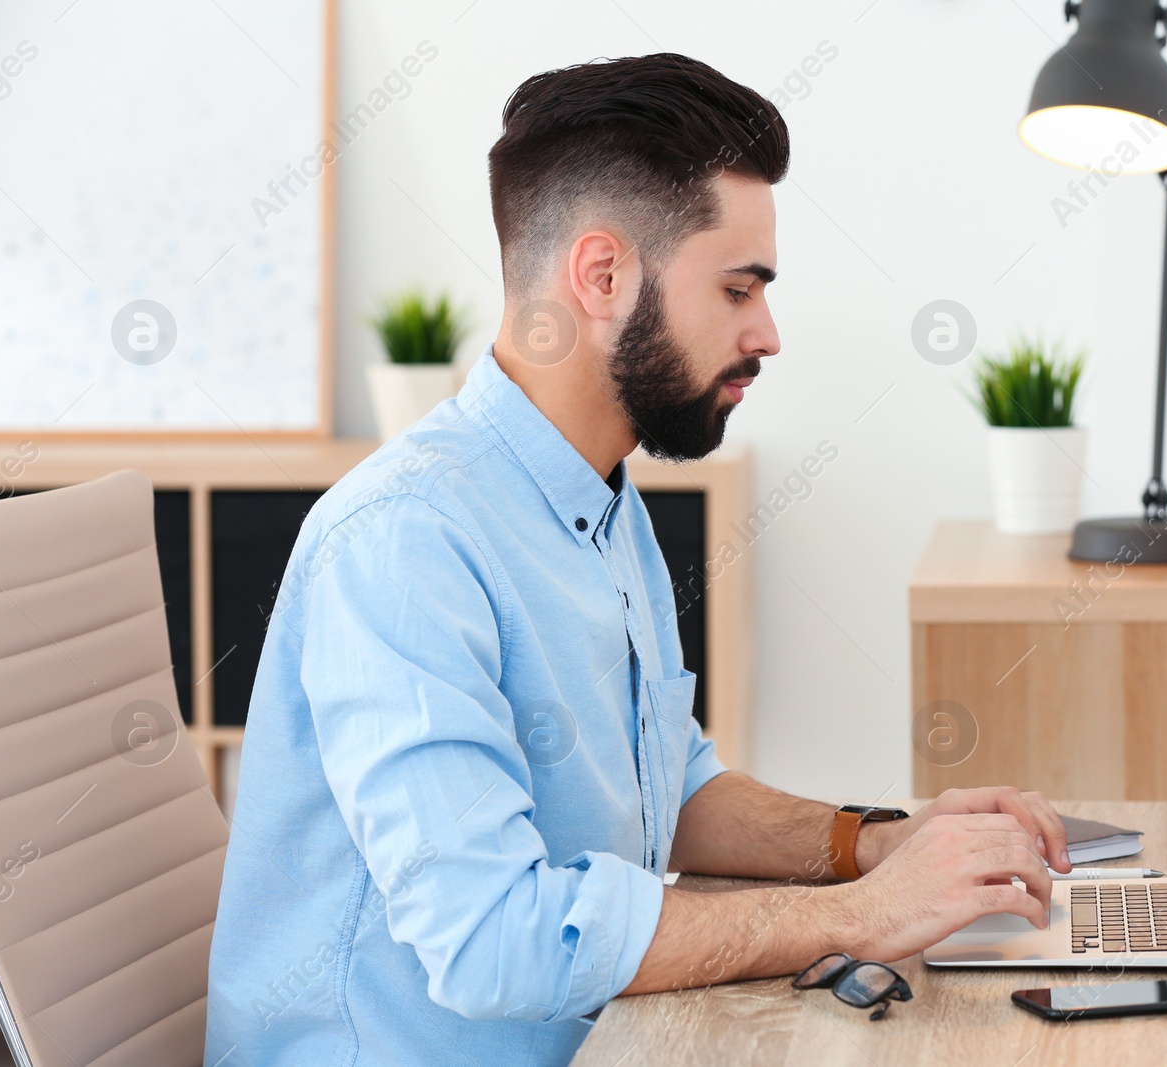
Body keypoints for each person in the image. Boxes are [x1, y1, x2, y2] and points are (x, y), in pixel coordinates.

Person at [204, 52, 1070, 1066]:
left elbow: (671, 788)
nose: (768, 332)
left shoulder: (599, 500)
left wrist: (876, 842)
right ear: (602, 276)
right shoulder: (405, 544)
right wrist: (863, 916)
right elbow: (490, 939)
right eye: (738, 288)